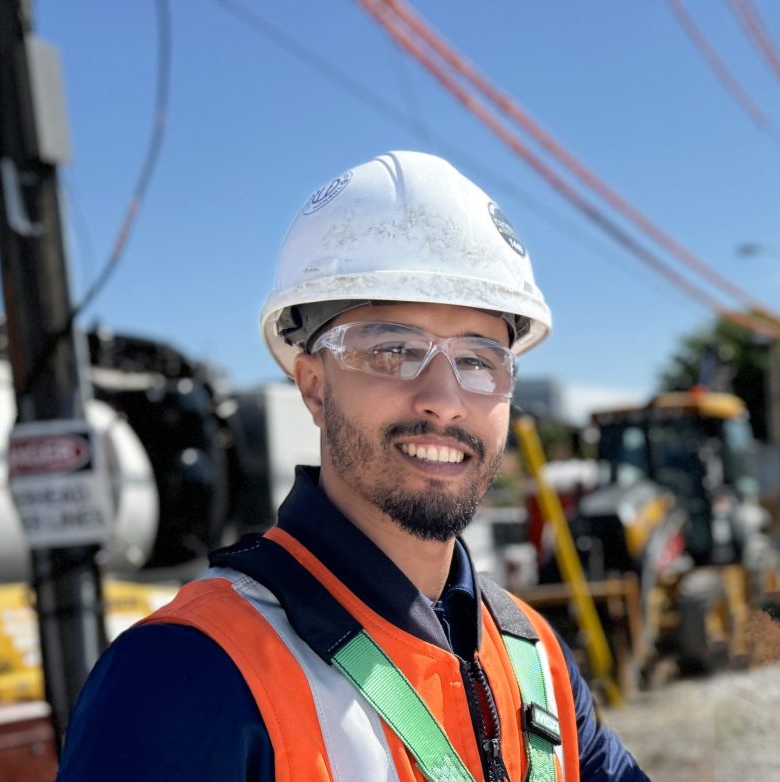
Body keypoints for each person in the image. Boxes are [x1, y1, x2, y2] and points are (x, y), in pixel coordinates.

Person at [57, 151, 649, 781]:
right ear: (313, 385)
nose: (445, 402)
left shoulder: (535, 660)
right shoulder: (190, 674)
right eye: (393, 351)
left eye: (479, 361)